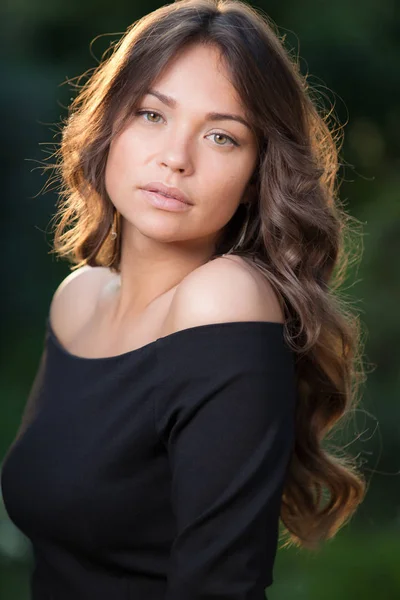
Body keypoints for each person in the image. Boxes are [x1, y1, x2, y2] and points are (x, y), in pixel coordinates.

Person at [1, 0, 367, 598]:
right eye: (151, 115)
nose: (176, 158)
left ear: (256, 178)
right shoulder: (77, 299)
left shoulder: (224, 298)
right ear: (108, 125)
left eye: (222, 136)